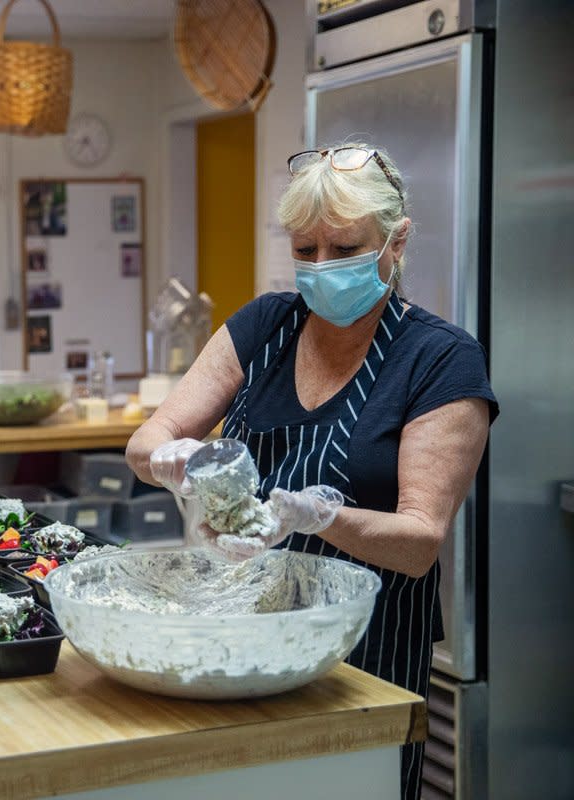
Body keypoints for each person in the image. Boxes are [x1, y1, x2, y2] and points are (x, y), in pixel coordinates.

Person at [125, 144, 497, 800]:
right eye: (305, 250)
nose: (321, 268)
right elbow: (148, 439)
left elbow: (419, 542)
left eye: (344, 248)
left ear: (396, 240)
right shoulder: (265, 327)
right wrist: (169, 460)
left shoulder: (441, 362)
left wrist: (319, 517)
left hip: (361, 663)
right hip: (236, 645)